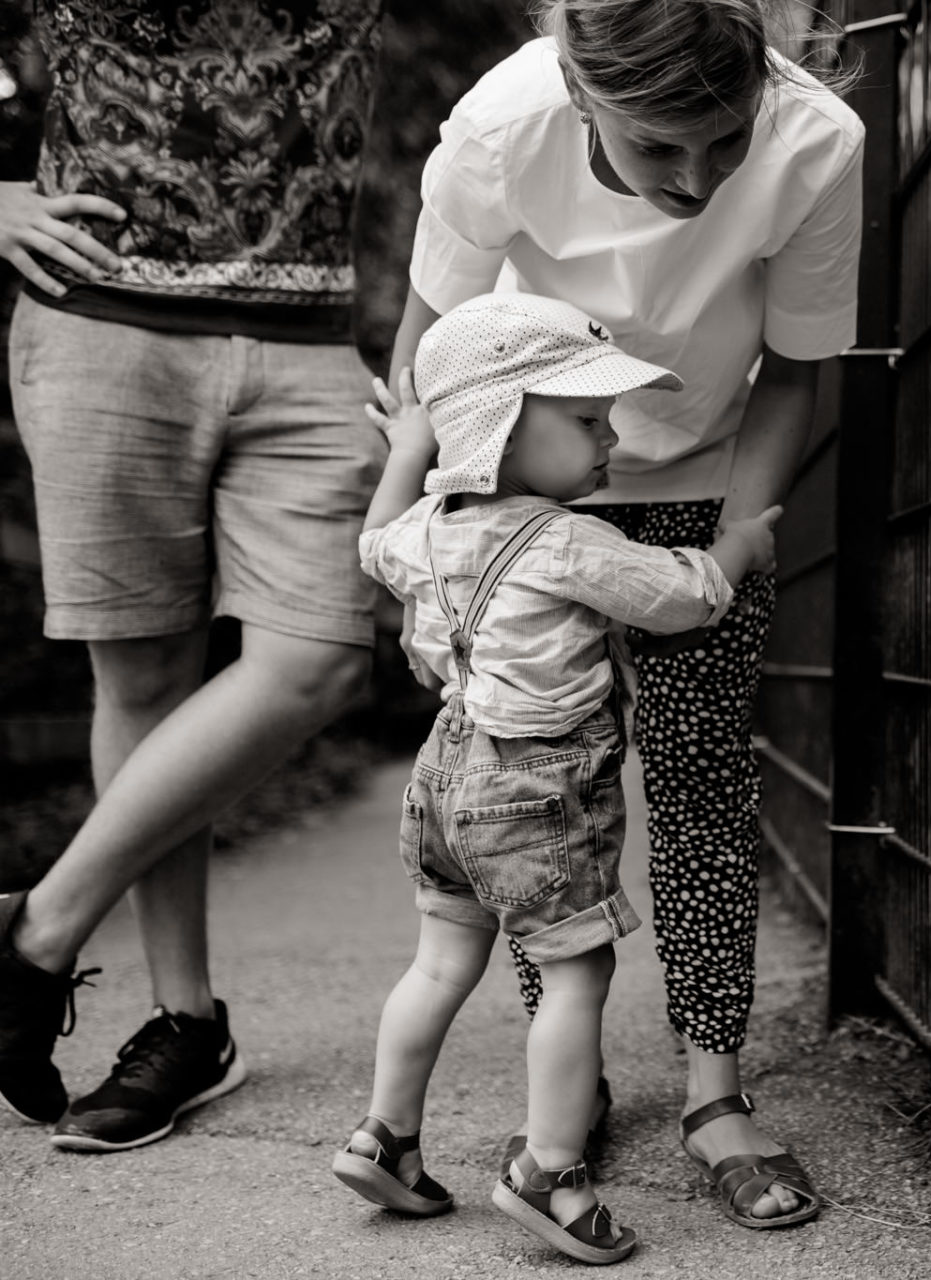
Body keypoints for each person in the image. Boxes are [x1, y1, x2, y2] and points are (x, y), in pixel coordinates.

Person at [387, 0, 862, 1227]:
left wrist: (741, 538)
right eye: (660, 148)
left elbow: (798, 366)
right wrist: (427, 542)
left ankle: (715, 1088)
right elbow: (431, 344)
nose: (698, 181)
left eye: (724, 139)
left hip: (706, 483)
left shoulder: (817, 143)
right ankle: (569, 1092)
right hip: (527, 492)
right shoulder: (503, 125)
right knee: (551, 789)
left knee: (702, 776)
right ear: (582, 91)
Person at [0, 0, 386, 1151]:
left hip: (311, 339)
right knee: (144, 679)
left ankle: (34, 932)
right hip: (99, 319)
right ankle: (185, 1021)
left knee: (315, 658)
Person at [338, 292, 781, 1264]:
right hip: (535, 794)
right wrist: (741, 543)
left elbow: (370, 540)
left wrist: (411, 445)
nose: (611, 435)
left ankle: (386, 1136)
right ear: (497, 427)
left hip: (444, 779)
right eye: (585, 419)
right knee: (579, 973)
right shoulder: (567, 540)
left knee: (439, 962)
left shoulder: (422, 531)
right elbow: (684, 599)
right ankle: (551, 1172)